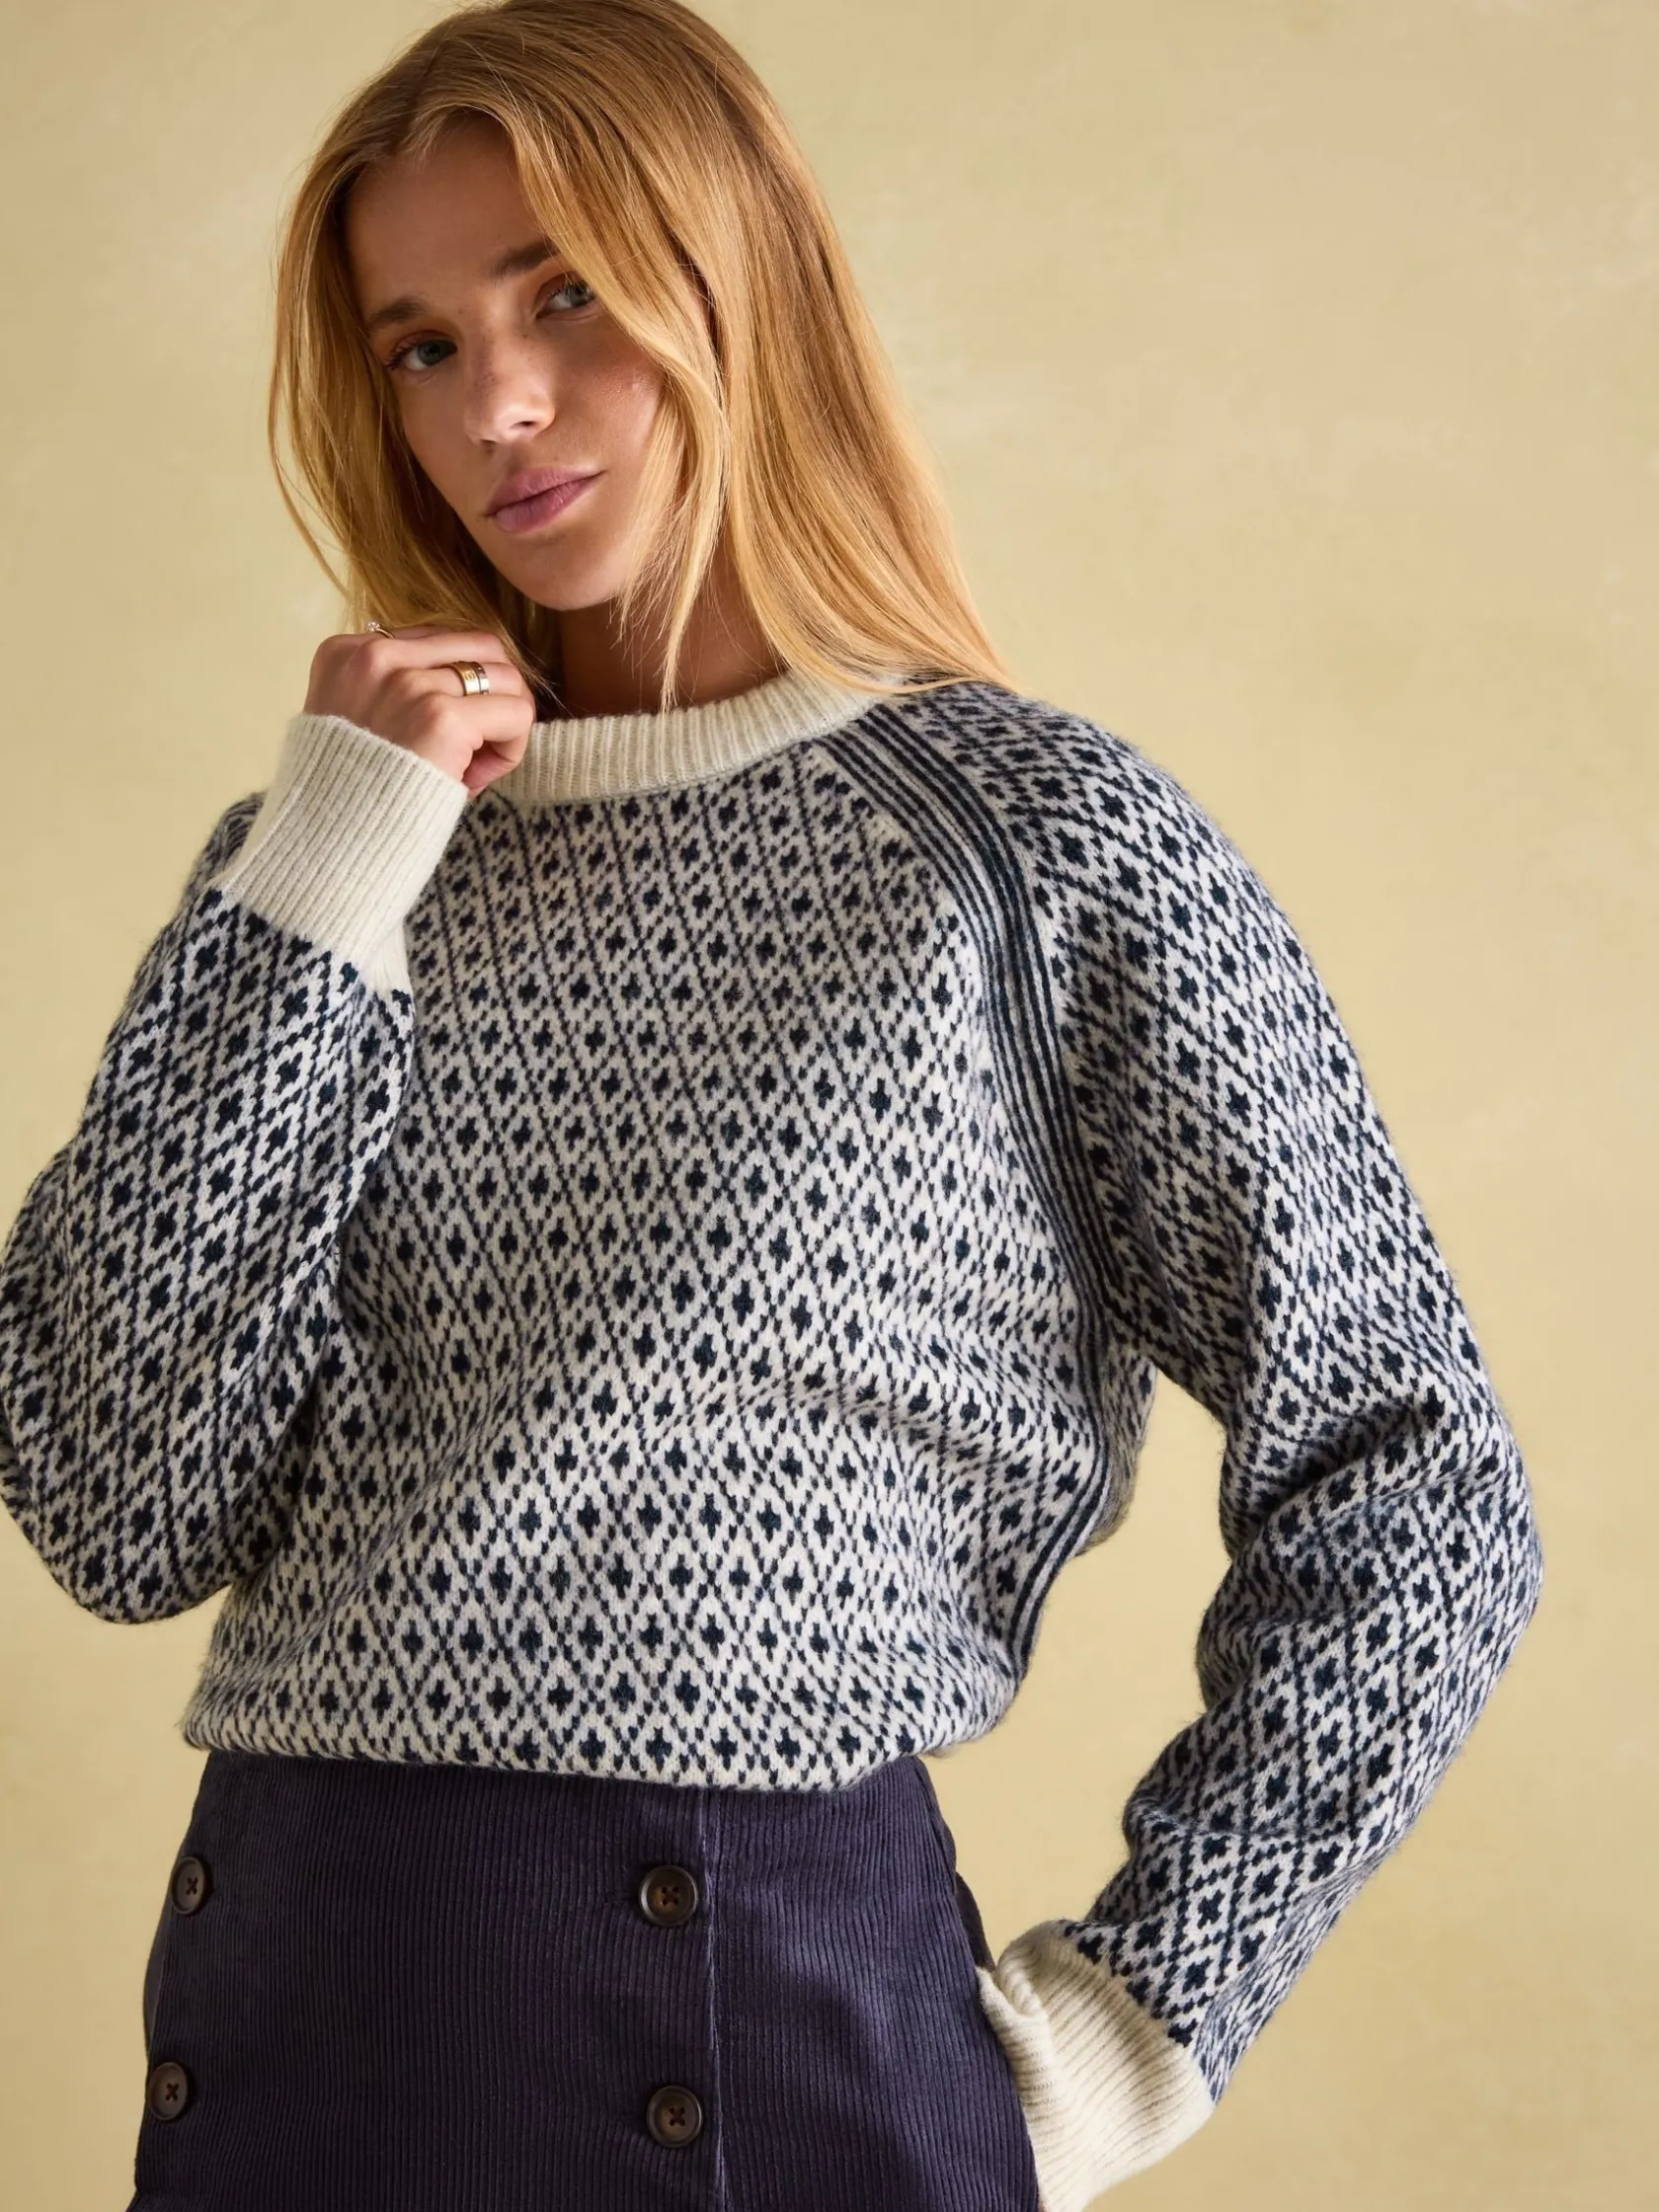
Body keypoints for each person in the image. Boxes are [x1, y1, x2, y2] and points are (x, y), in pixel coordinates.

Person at [0, 2, 1543, 2208]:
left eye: (565, 296)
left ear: (740, 285)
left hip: (754, 2019)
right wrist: (323, 877)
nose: (495, 405)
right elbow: (110, 1502)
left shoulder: (1033, 847)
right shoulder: (330, 858)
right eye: (420, 344)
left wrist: (1135, 2027)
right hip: (292, 2003)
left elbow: (1419, 1476)